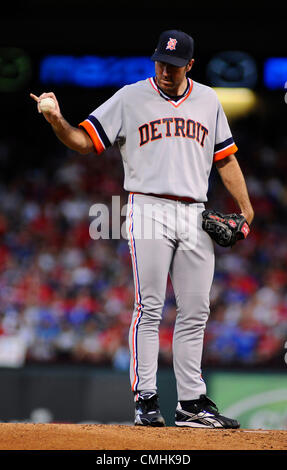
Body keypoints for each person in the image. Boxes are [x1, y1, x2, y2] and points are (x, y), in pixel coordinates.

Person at [30, 29, 254, 429]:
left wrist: (246, 207)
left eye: (173, 64)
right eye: (160, 62)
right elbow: (84, 141)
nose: (165, 70)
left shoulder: (207, 99)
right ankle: (146, 399)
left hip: (195, 213)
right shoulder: (130, 97)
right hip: (147, 205)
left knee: (196, 310)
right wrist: (55, 119)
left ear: (190, 64)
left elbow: (225, 159)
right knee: (149, 307)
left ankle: (190, 404)